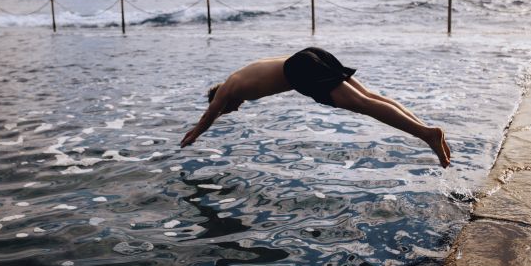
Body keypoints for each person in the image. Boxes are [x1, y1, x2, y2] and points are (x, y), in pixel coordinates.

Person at [180, 47, 451, 168]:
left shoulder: (229, 87)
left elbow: (209, 113)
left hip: (300, 69)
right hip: (310, 55)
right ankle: (426, 130)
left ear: (222, 99)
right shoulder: (240, 74)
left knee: (362, 105)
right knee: (369, 96)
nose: (234, 110)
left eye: (229, 109)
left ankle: (426, 133)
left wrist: (194, 135)